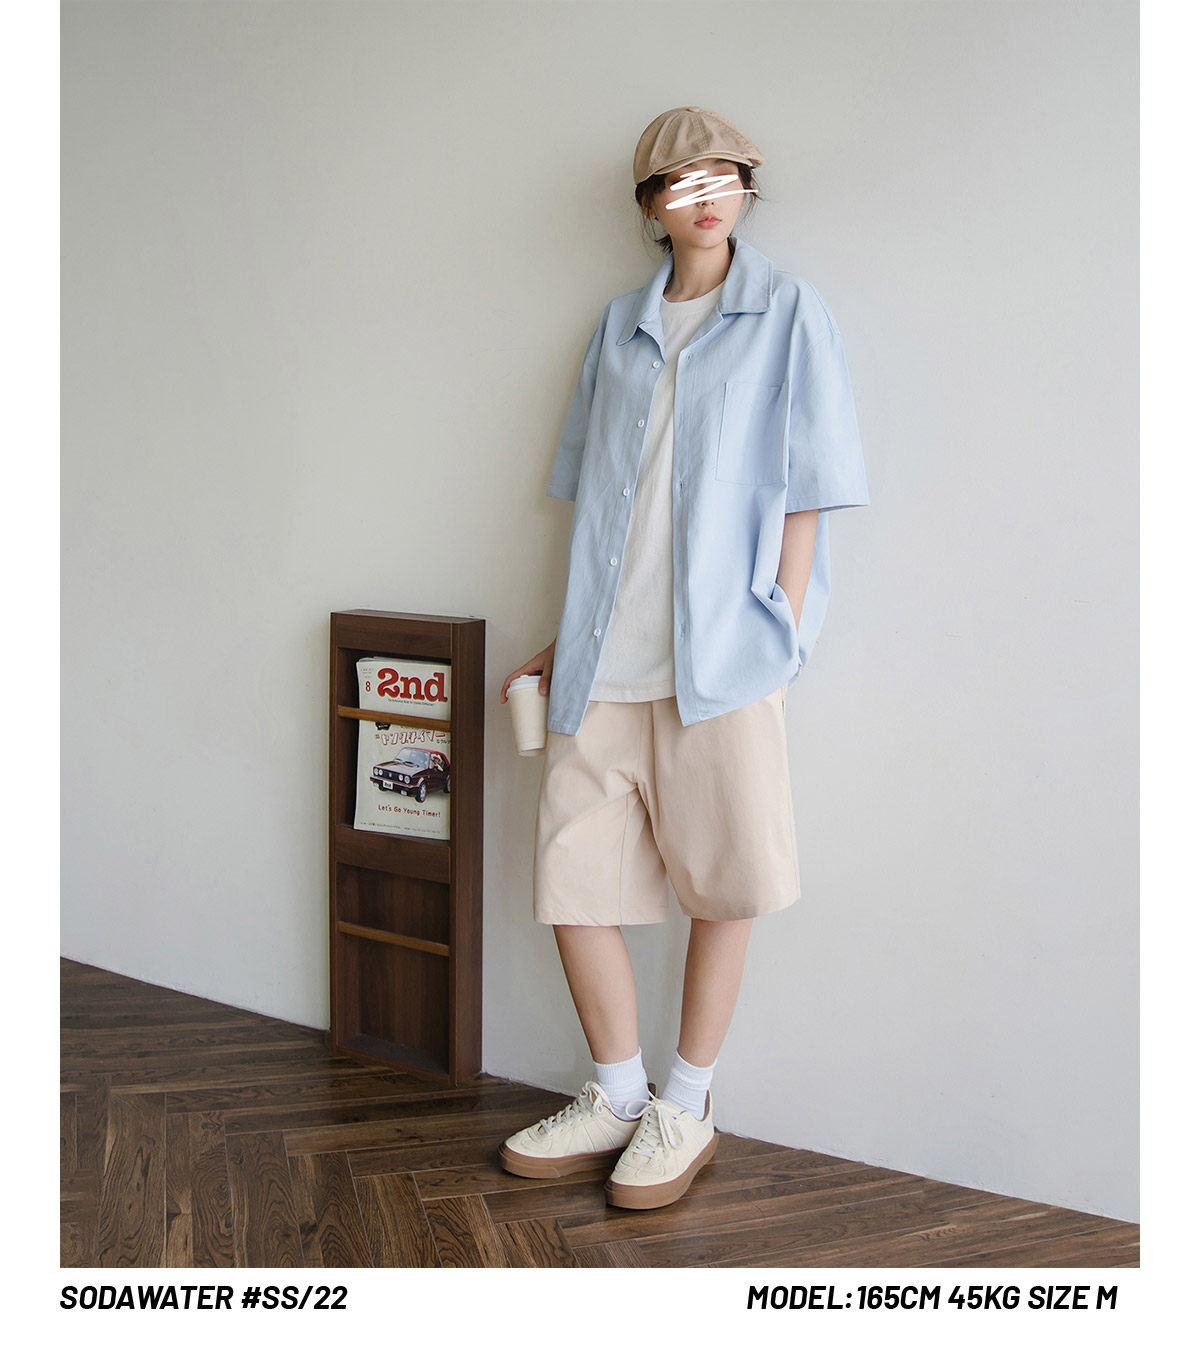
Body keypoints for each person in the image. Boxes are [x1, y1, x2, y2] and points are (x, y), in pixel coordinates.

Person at [498, 107, 869, 1210]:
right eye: (678, 181)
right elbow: (599, 502)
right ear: (652, 206)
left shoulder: (791, 313)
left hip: (725, 659)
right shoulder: (616, 327)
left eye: (721, 175)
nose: (702, 196)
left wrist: (780, 632)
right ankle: (618, 1091)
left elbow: (810, 492)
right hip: (604, 657)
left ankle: (688, 1104)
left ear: (746, 187)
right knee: (572, 881)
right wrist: (566, 634)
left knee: (726, 881)